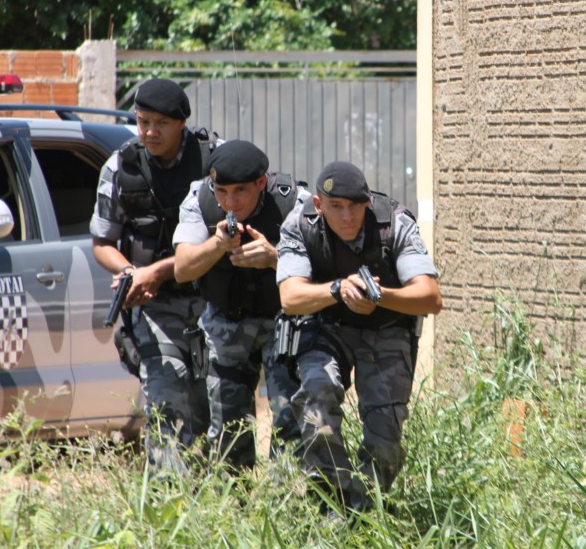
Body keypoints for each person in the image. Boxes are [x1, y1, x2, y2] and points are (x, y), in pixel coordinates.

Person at [276, 161, 443, 513]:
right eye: (336, 207)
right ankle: (331, 504)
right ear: (319, 206)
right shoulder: (299, 224)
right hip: (327, 327)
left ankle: (365, 515)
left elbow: (430, 297)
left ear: (368, 202)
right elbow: (290, 298)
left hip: (386, 329)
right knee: (316, 399)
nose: (347, 216)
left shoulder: (393, 222)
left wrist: (380, 298)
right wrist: (338, 289)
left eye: (355, 206)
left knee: (385, 438)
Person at [90, 78, 214, 475]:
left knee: (215, 408)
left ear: (182, 123)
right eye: (143, 121)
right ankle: (168, 503)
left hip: (217, 303)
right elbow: (101, 243)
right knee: (165, 402)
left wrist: (155, 271)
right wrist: (131, 272)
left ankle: (224, 505)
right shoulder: (121, 166)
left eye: (161, 123)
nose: (150, 132)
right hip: (156, 306)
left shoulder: (214, 161)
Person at [173, 140, 307, 469]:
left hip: (283, 323)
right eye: (222, 191)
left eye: (240, 191)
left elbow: (321, 272)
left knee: (290, 418)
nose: (229, 202)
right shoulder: (199, 198)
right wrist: (217, 245)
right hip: (224, 322)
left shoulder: (293, 202)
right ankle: (235, 509)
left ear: (261, 183)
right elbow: (183, 268)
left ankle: (284, 507)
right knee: (226, 427)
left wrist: (276, 259)